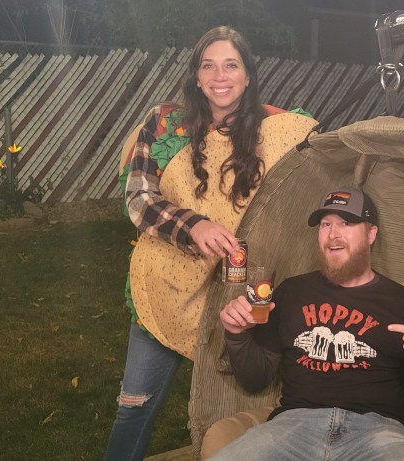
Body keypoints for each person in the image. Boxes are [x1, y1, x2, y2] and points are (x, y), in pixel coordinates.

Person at [105, 26, 317, 461]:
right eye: (209, 66)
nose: (220, 76)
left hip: (237, 293)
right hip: (165, 286)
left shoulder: (278, 130)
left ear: (247, 75)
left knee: (237, 414)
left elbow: (323, 165)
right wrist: (193, 226)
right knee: (135, 406)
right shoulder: (164, 124)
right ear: (197, 76)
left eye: (231, 65)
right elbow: (138, 198)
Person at [212, 187, 404, 461]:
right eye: (326, 224)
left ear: (371, 234)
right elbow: (255, 380)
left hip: (378, 432)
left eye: (346, 223)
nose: (333, 234)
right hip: (293, 426)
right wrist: (237, 335)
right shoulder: (290, 292)